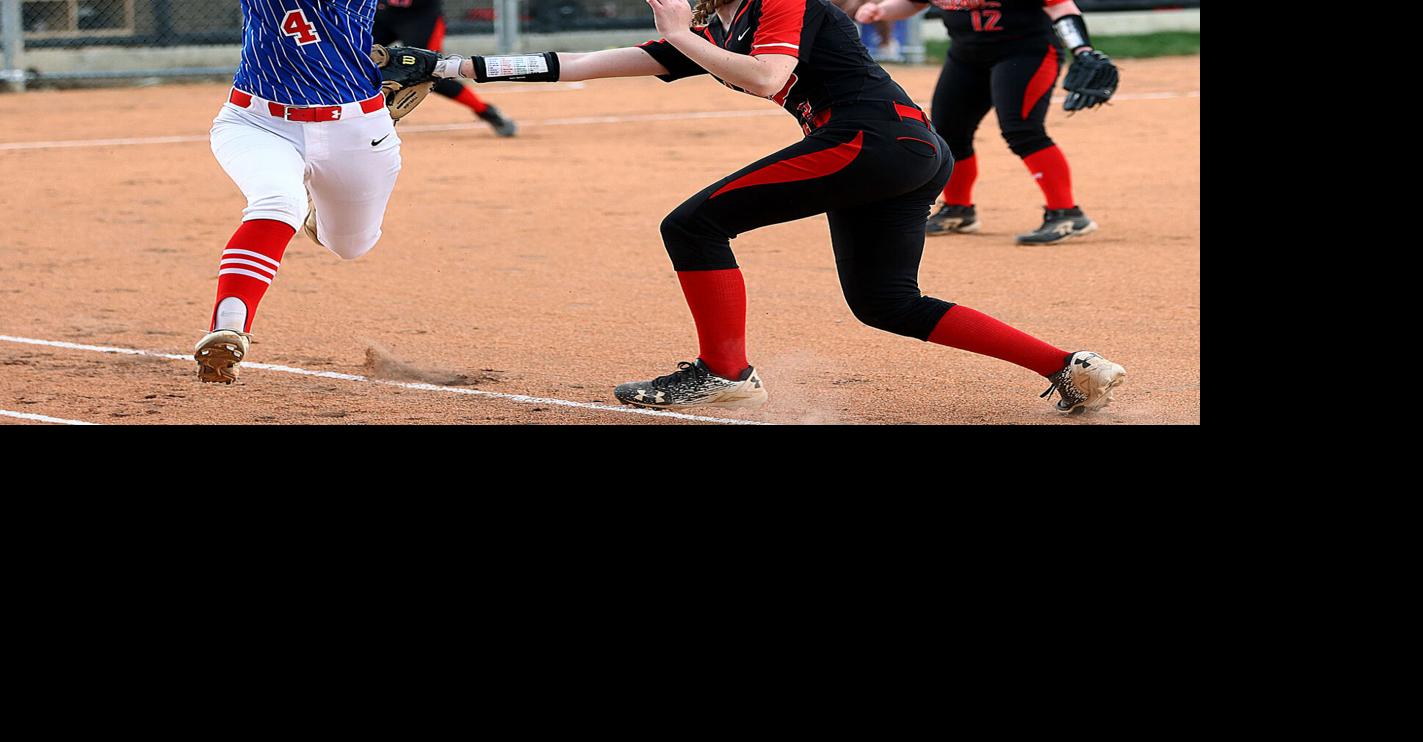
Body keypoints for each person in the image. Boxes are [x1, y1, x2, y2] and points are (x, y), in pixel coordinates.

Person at [433, 0, 1125, 414]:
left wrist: (681, 37)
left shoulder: (769, 3)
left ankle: (724, 374)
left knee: (693, 224)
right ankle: (1070, 367)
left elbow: (771, 75)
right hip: (897, 147)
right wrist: (451, 69)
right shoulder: (720, 27)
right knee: (886, 302)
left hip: (872, 139)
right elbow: (580, 64)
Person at [196, 0, 409, 383]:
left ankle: (318, 219)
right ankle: (228, 326)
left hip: (357, 129)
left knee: (350, 245)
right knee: (278, 202)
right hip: (257, 121)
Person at [853, 0, 1118, 244]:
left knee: (1022, 130)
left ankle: (1067, 212)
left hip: (1026, 52)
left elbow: (1061, 7)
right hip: (966, 55)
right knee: (948, 131)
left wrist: (1082, 49)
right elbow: (914, 3)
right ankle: (959, 209)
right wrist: (883, 10)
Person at [374, 0, 518, 136]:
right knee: (356, 59)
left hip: (420, 17)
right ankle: (364, 117)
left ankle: (485, 110)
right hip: (383, 13)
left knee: (430, 71)